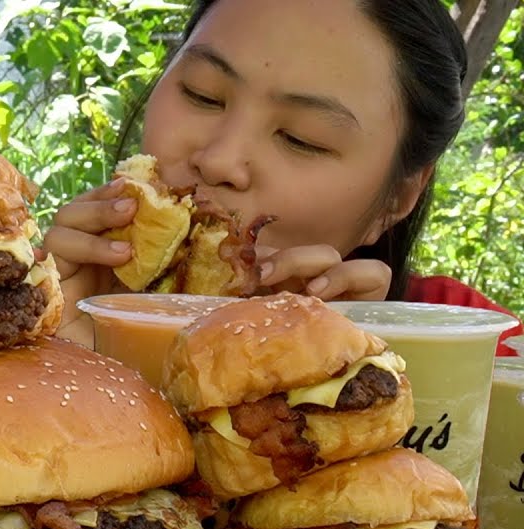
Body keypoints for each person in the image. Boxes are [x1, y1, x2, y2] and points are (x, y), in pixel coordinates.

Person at [44, 0, 522, 356]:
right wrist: (49, 353)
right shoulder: (38, 304)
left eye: (301, 138)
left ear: (398, 197)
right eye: (203, 95)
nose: (219, 161)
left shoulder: (482, 354)